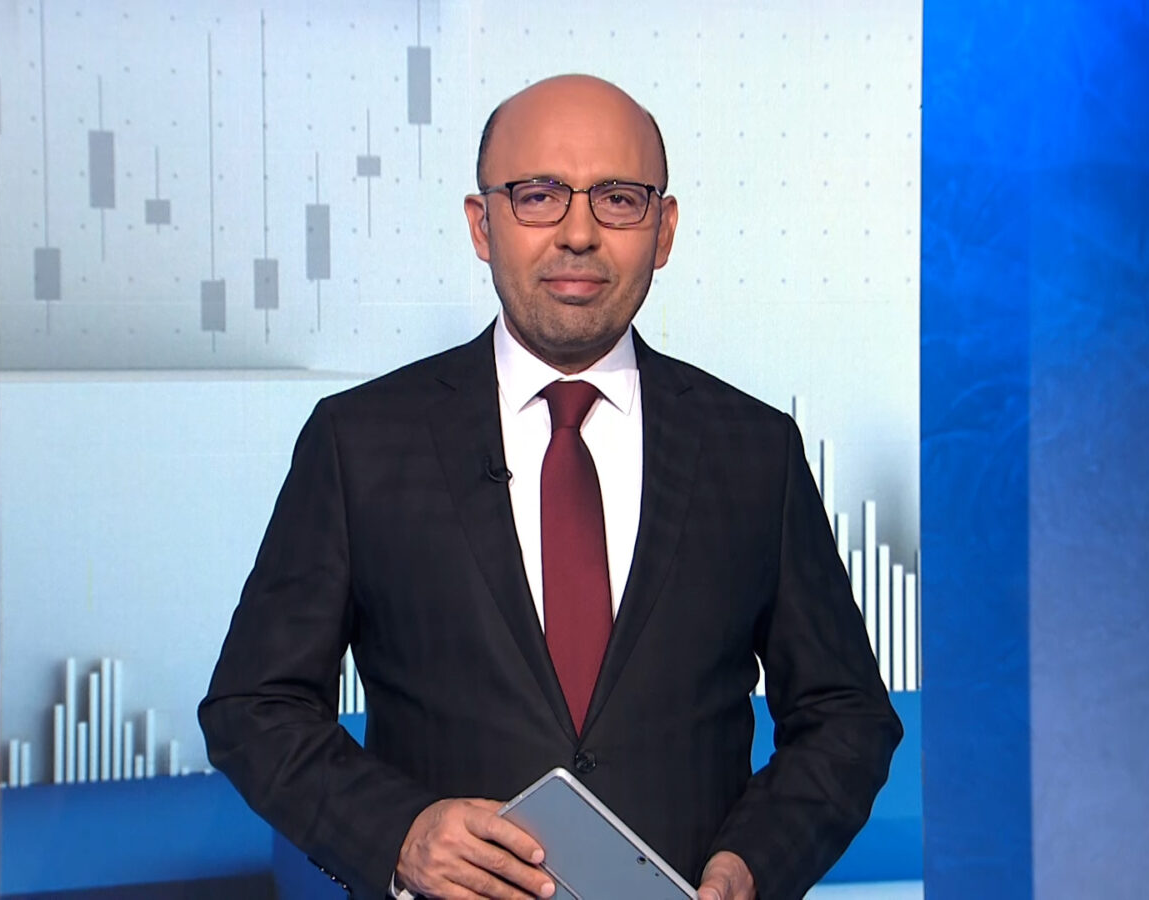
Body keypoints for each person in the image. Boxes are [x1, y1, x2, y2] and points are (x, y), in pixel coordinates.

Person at [199, 74, 901, 900]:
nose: (578, 234)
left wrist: (753, 865)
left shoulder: (754, 450)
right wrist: (400, 836)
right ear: (482, 224)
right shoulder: (360, 442)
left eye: (619, 199)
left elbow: (846, 716)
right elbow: (254, 705)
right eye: (538, 196)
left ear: (665, 230)